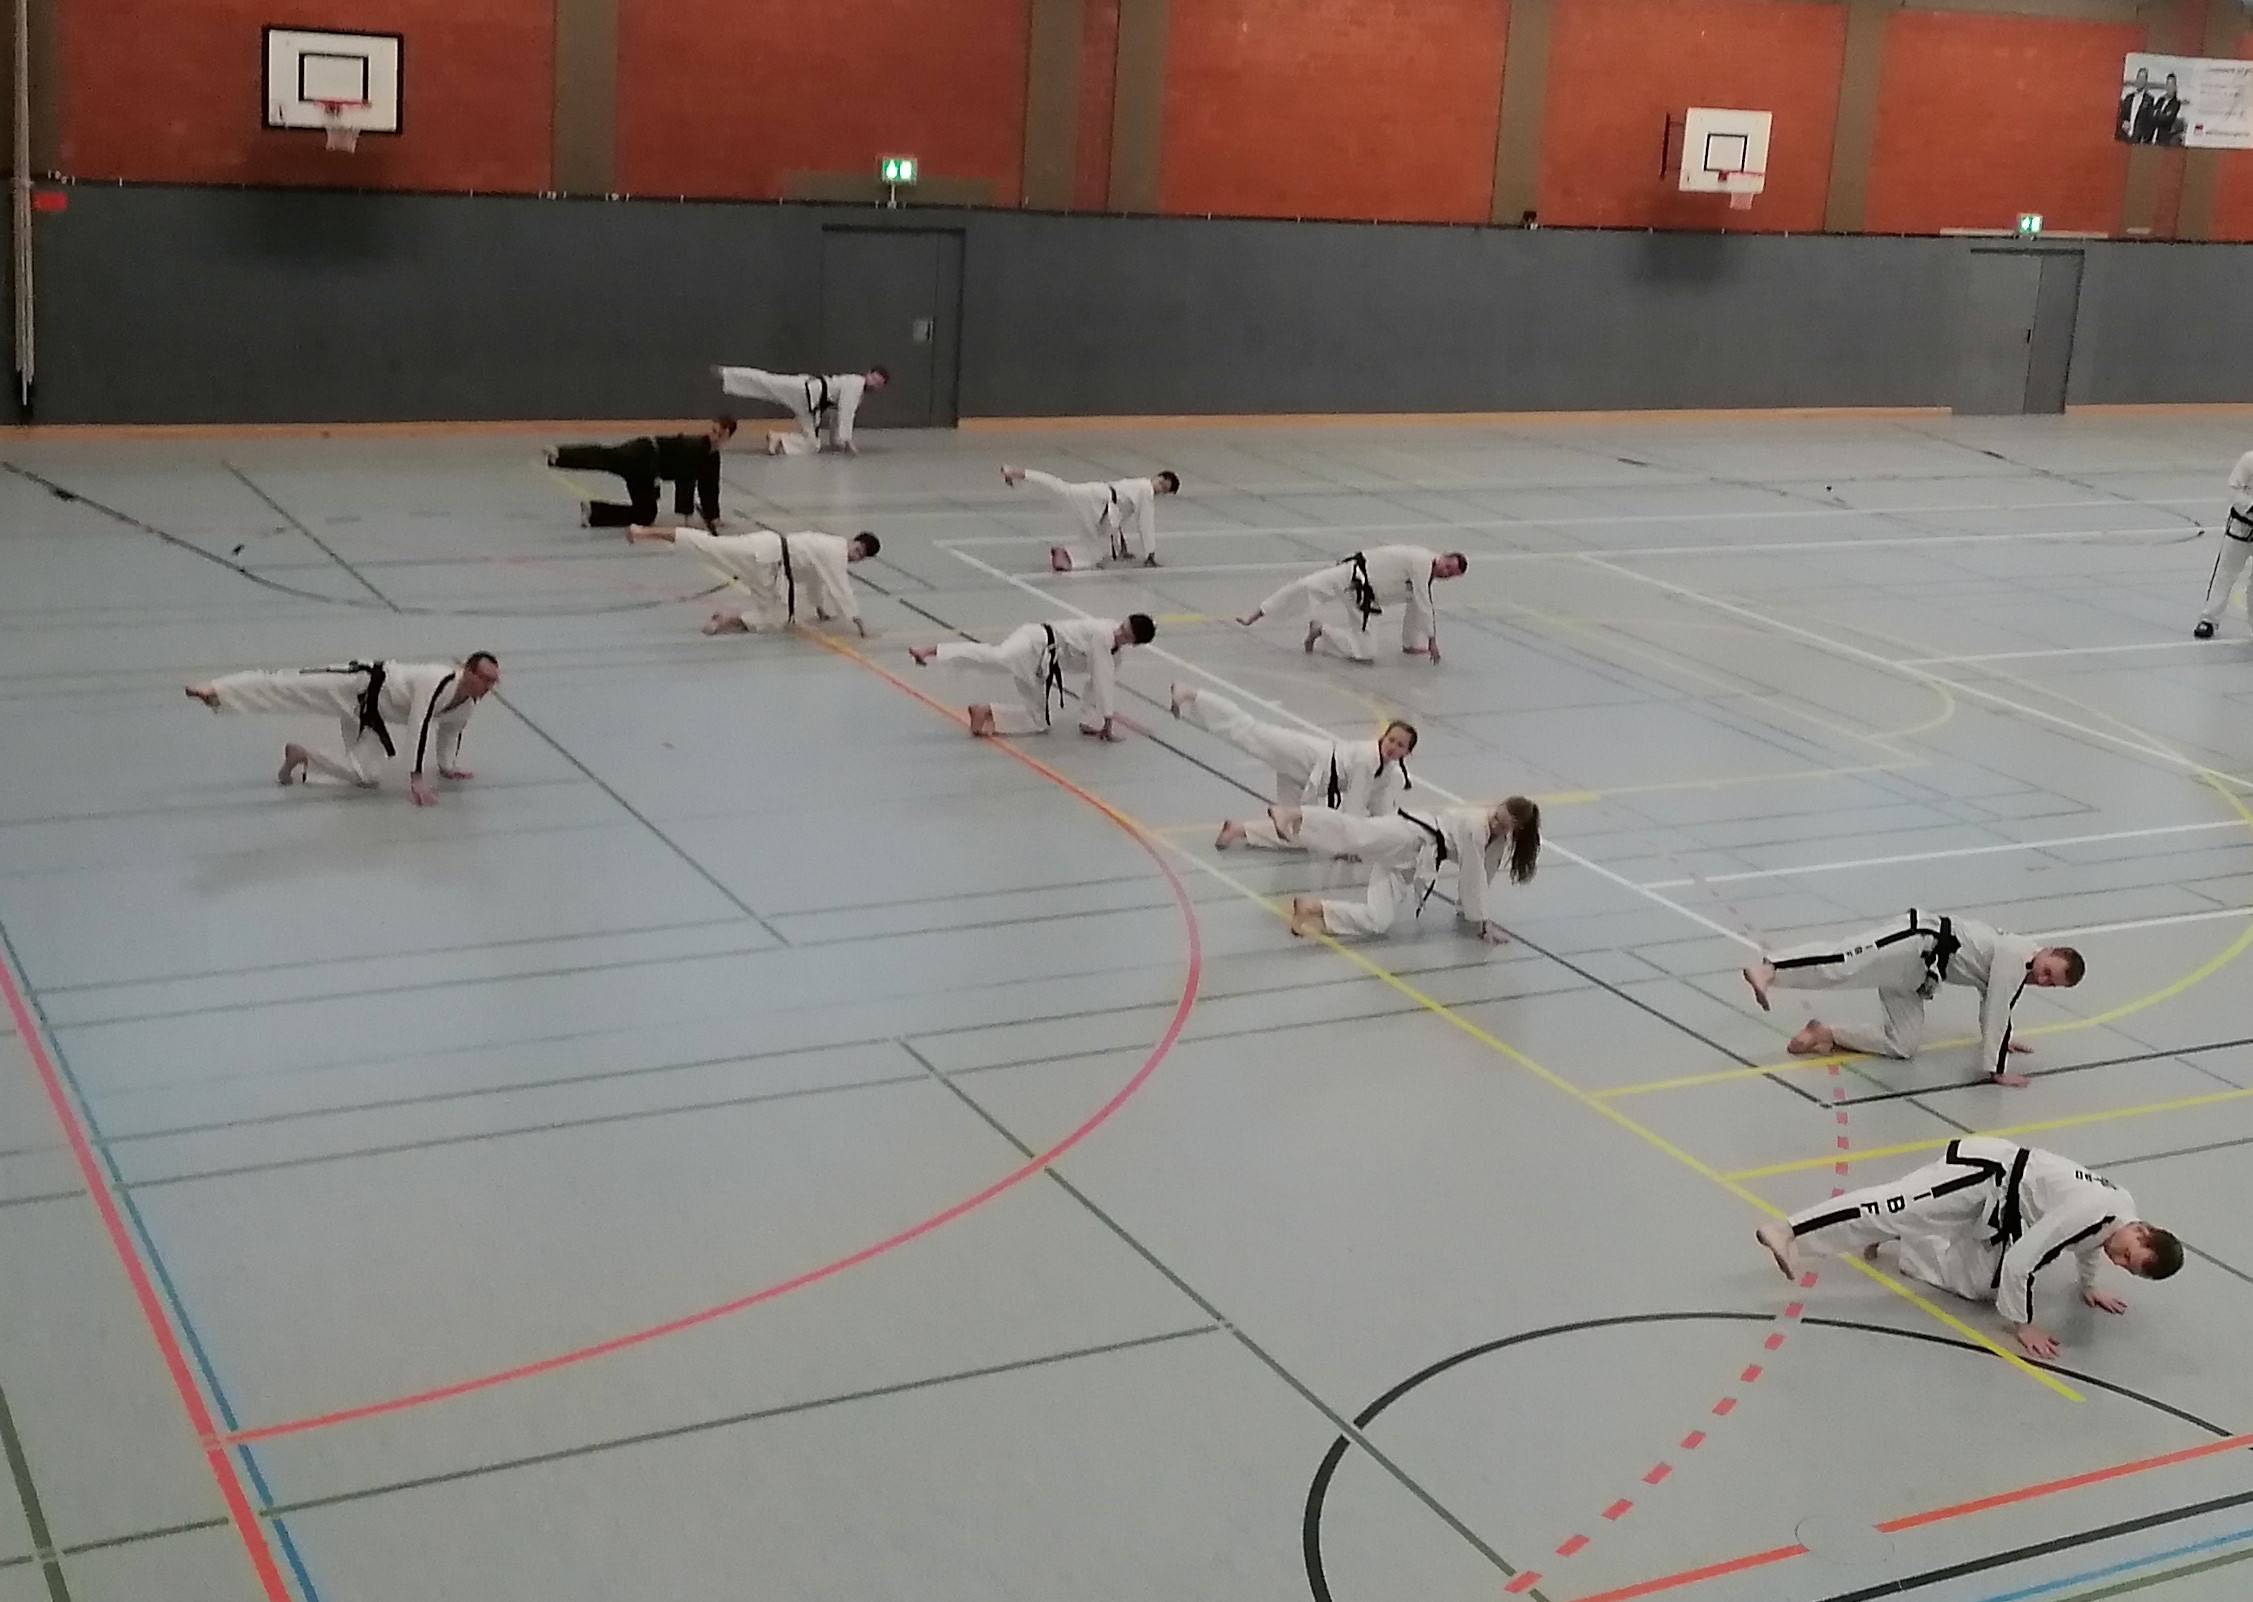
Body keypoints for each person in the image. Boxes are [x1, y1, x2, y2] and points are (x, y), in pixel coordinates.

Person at [1753, 1137, 2182, 1359]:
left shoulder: (2121, 1211)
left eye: (2127, 1267)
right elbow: (2023, 1261)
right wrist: (2023, 1325)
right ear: (2143, 1230)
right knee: (1891, 1206)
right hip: (1985, 1172)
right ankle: (1788, 1231)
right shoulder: (2095, 1208)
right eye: (2129, 1254)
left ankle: (1910, 1241)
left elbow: (2091, 1242)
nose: (2119, 1260)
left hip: (2005, 1206)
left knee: (1980, 1285)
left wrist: (2089, 1286)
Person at [1741, 911, 2082, 1089]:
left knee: (1902, 1044)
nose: (2043, 980)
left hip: (1919, 974)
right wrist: (1996, 1071)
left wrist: (2004, 1040)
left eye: (2051, 984)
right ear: (2048, 951)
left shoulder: (2022, 968)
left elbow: (1994, 1003)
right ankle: (1771, 969)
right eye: (2047, 971)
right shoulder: (2018, 955)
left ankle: (1825, 1033)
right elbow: (1997, 1007)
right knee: (1845, 962)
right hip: (1916, 941)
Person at [183, 654, 501, 806]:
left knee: (367, 775)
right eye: (484, 679)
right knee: (288, 685)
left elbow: (449, 732)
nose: (488, 686)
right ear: (467, 671)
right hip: (356, 685)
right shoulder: (438, 679)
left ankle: (303, 757)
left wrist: (447, 767)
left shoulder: (467, 705)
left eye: (493, 682)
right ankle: (216, 689)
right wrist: (416, 778)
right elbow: (419, 724)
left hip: (371, 715)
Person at [1249, 798, 1539, 944]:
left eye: (1503, 824)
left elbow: (1483, 876)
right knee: (1354, 833)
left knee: (1379, 920)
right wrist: (1483, 924)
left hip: (1412, 861)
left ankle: (1313, 908)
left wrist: (1468, 911)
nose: (1495, 824)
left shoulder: (1497, 841)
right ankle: (1293, 813)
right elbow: (1472, 874)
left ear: (1516, 828)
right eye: (1496, 816)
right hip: (1409, 835)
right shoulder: (1477, 826)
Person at [1168, 685, 1414, 849]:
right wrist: (1355, 848)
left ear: (1407, 753)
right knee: (1248, 729)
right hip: (1305, 755)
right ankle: (1191, 693)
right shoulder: (1366, 759)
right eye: (1391, 740)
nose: (1393, 746)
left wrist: (1396, 836)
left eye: (1400, 745)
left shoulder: (1386, 771)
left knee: (1298, 835)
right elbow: (1352, 813)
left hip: (1306, 778)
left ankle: (1239, 830)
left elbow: (1379, 809)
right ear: (1383, 737)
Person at [909, 615, 1157, 739]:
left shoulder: (1115, 657)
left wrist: (1088, 720)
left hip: (1043, 667)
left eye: (1126, 635)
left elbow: (1096, 684)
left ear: (1133, 643)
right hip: (1036, 640)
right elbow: (1102, 679)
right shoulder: (1103, 634)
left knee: (1039, 722)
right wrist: (1108, 719)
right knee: (998, 657)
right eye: (1122, 627)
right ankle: (930, 650)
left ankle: (986, 712)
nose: (1119, 633)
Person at [625, 524, 878, 637]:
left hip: (771, 571)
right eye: (857, 550)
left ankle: (726, 619)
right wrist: (861, 626)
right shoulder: (835, 551)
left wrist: (820, 608)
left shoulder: (832, 549)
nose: (855, 556)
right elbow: (841, 589)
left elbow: (817, 580)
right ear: (852, 540)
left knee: (778, 618)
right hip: (765, 552)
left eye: (860, 557)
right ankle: (644, 531)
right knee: (708, 544)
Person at [1236, 546, 1468, 663]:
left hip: (1366, 601)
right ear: (1442, 556)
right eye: (1447, 566)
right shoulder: (1422, 562)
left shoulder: (1423, 582)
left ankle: (1321, 630)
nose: (1445, 572)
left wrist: (1410, 644)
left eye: (1450, 574)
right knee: (1306, 586)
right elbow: (1425, 605)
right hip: (1351, 575)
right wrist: (1432, 640)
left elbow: (1417, 609)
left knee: (1365, 653)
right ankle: (1256, 614)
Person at [548, 419, 734, 529]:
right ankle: (560, 454)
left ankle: (593, 512)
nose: (714, 437)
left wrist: (713, 516)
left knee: (645, 515)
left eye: (720, 434)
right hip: (643, 454)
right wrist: (685, 516)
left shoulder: (712, 458)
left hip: (646, 471)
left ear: (727, 436)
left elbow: (709, 487)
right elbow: (686, 480)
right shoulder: (695, 447)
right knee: (606, 457)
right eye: (714, 431)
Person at [998, 463, 1180, 571]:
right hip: (1099, 504)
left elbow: (1120, 520)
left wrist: (1122, 549)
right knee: (1095, 553)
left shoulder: (1138, 485)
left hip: (1097, 497)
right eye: (1161, 484)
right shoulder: (1146, 490)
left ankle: (1017, 472)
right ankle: (1065, 555)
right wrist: (1150, 553)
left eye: (1164, 489)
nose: (1159, 489)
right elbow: (1145, 523)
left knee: (1060, 489)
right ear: (1156, 477)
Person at [713, 364, 889, 456]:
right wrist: (848, 443)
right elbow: (846, 413)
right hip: (803, 391)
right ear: (867, 374)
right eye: (873, 378)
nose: (873, 383)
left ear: (880, 388)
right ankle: (727, 373)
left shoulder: (859, 393)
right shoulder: (856, 384)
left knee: (812, 446)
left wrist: (837, 442)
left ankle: (778, 438)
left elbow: (836, 416)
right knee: (768, 381)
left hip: (810, 406)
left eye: (878, 383)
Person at [2192, 445, 2253, 638]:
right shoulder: (2249, 460)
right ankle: (2209, 619)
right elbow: (2234, 490)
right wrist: (2251, 507)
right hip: (2241, 528)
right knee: (2225, 573)